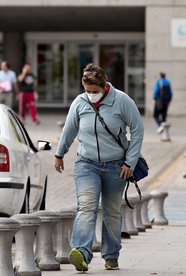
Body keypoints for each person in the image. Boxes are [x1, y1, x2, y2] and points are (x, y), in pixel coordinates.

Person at [54, 63, 144, 272]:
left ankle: (111, 256)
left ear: (104, 86)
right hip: (87, 163)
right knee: (86, 206)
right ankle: (81, 253)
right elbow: (69, 130)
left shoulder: (122, 101)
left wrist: (130, 163)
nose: (91, 95)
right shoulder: (80, 102)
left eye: (94, 92)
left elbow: (137, 130)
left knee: (112, 212)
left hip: (116, 166)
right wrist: (59, 154)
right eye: (87, 91)